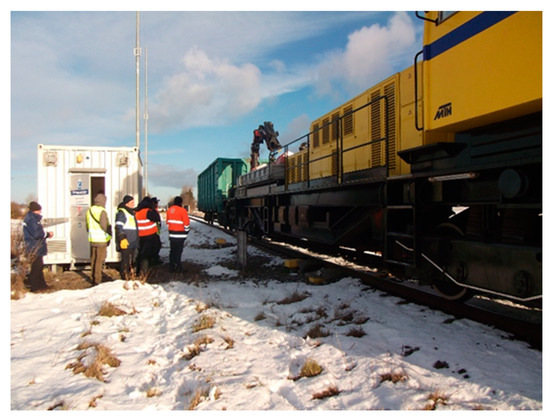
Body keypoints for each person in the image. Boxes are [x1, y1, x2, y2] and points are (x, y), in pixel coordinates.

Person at [22, 201, 53, 291]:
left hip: (33, 246)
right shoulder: (32, 219)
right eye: (39, 210)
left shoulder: (30, 218)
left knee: (39, 266)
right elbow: (36, 234)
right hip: (34, 247)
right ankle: (35, 287)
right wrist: (47, 234)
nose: (40, 212)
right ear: (35, 210)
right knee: (37, 267)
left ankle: (42, 285)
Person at [86, 193, 112, 285]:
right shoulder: (102, 211)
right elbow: (104, 226)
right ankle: (97, 279)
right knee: (99, 260)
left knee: (93, 258)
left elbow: (87, 225)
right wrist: (109, 235)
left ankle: (93, 276)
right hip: (101, 239)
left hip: (92, 239)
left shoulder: (89, 210)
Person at [135, 196, 162, 276]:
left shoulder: (137, 212)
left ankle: (137, 271)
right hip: (149, 236)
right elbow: (157, 218)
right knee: (145, 256)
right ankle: (143, 273)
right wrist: (153, 209)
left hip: (140, 236)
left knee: (140, 254)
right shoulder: (148, 212)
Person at [115, 195, 139, 280]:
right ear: (126, 203)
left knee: (130, 261)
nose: (133, 204)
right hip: (126, 241)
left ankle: (129, 276)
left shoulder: (131, 213)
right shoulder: (122, 213)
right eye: (131, 202)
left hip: (132, 241)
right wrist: (122, 238)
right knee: (125, 261)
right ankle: (124, 277)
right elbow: (118, 226)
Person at [166, 196, 190, 272]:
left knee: (172, 250)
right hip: (180, 234)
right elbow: (186, 223)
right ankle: (178, 266)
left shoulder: (169, 210)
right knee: (178, 251)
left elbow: (167, 222)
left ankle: (171, 267)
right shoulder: (182, 211)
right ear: (181, 202)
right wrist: (186, 231)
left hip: (172, 234)